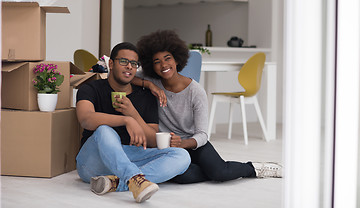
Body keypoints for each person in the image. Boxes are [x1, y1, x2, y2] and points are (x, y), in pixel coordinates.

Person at [134, 30, 282, 184]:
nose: (163, 65)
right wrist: (149, 84)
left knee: (219, 172)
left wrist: (183, 143)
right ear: (152, 66)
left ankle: (254, 168)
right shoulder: (152, 80)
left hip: (193, 143)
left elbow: (203, 135)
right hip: (171, 148)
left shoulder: (195, 91)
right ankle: (207, 169)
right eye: (157, 61)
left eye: (167, 58)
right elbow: (125, 76)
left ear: (177, 60)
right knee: (181, 176)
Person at [75, 42, 191, 203]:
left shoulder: (146, 97)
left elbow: (152, 141)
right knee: (104, 130)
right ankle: (133, 178)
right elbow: (86, 119)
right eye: (123, 61)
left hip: (130, 156)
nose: (129, 66)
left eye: (134, 64)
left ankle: (117, 182)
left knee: (182, 156)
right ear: (111, 63)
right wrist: (126, 120)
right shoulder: (90, 89)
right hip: (94, 161)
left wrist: (134, 115)